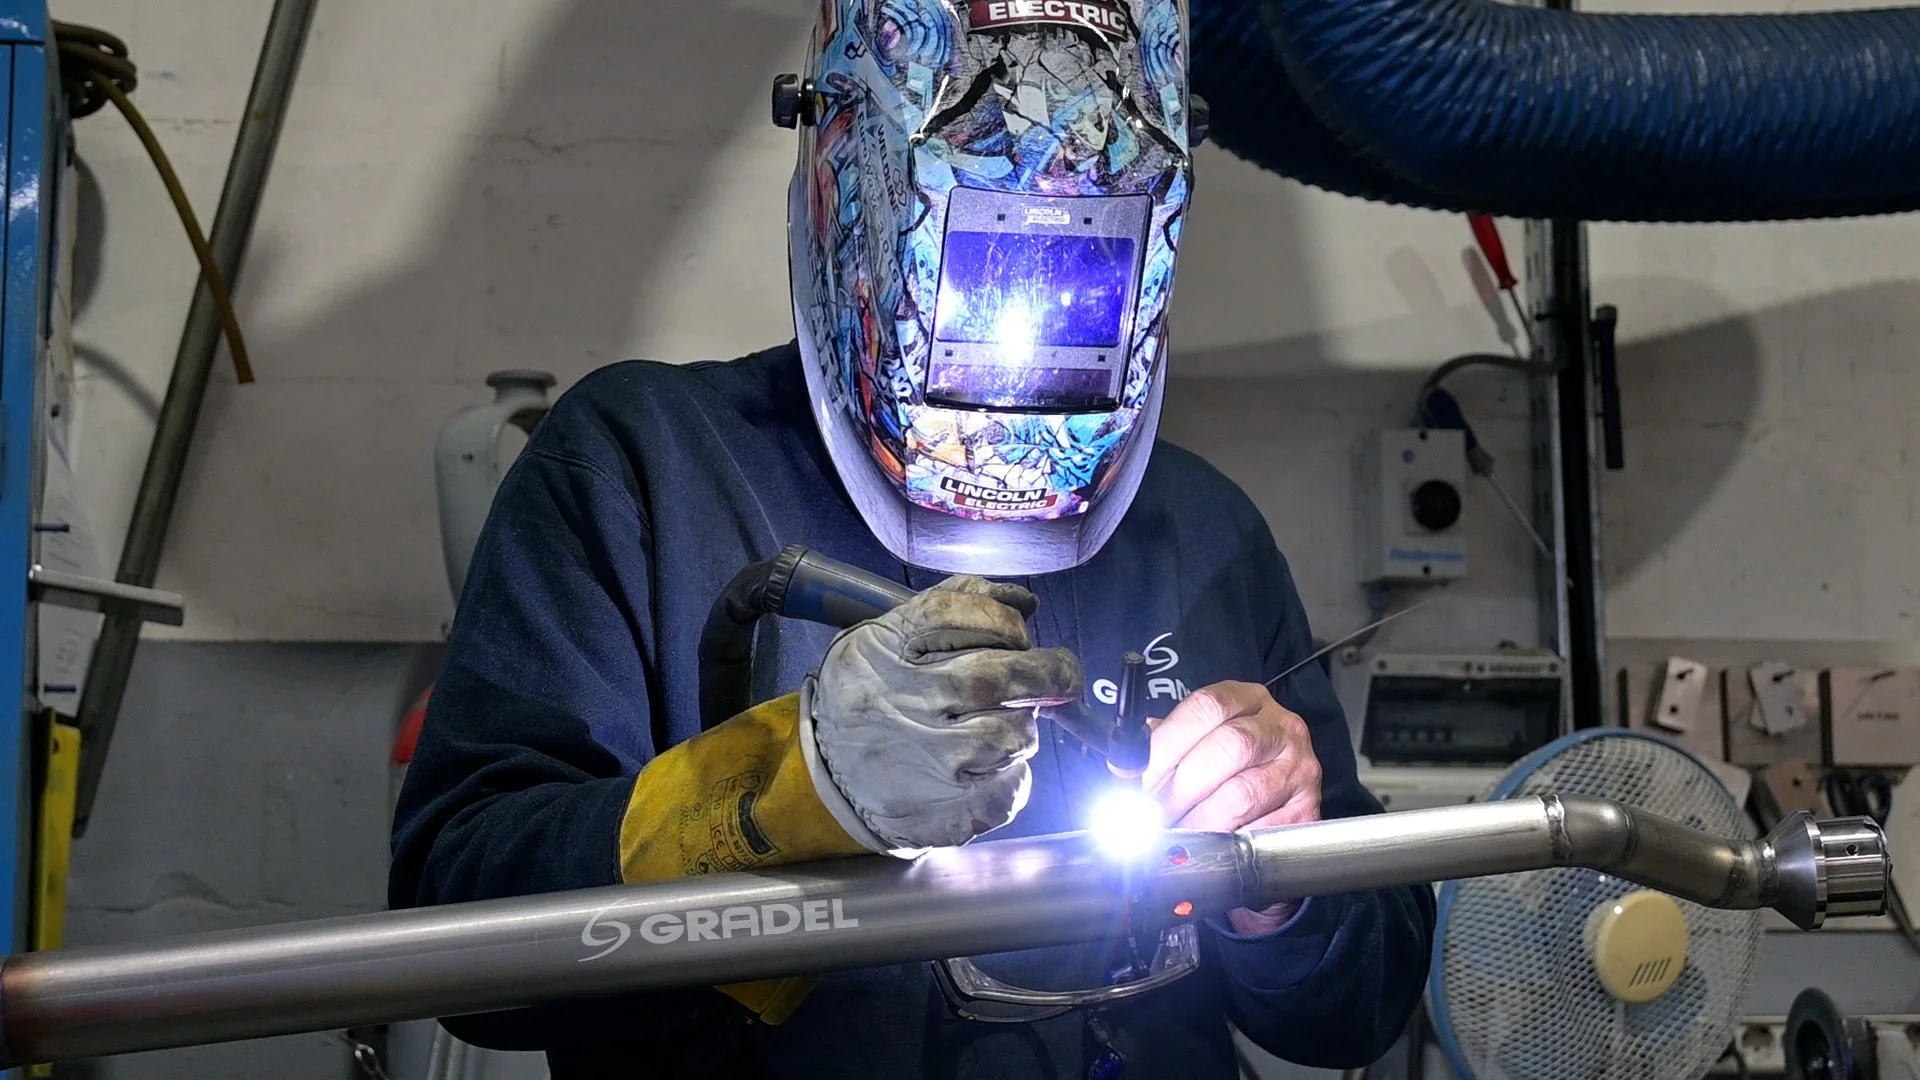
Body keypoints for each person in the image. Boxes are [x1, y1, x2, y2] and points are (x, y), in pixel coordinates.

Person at [389, 1, 1435, 1076]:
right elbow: (461, 927)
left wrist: (1281, 888)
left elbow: (1354, 1010)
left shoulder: (1203, 529)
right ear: (854, 177)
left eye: (1078, 270)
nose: (1022, 332)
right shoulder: (641, 468)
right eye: (984, 262)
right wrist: (798, 789)